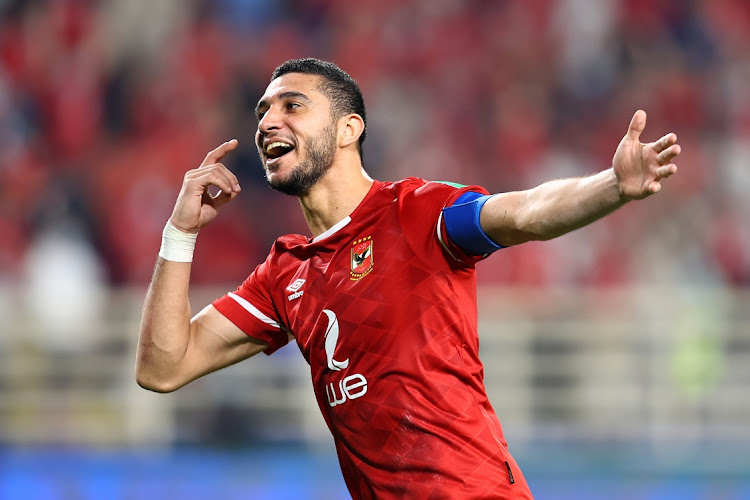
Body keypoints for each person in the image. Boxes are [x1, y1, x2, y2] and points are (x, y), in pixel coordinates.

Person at [136, 58, 681, 499]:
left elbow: (523, 213)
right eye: (262, 111)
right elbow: (163, 367)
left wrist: (611, 185)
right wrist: (180, 232)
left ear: (349, 128)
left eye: (292, 105)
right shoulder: (286, 273)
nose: (267, 122)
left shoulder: (415, 212)